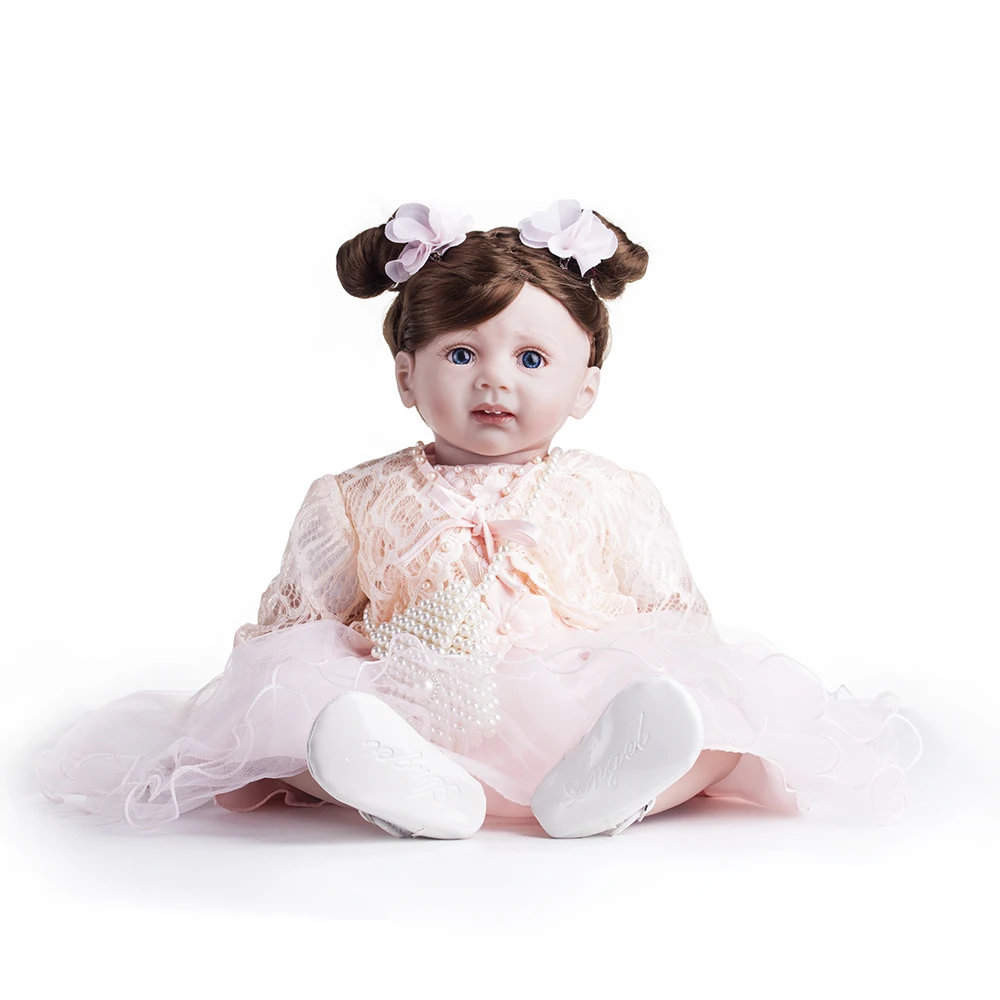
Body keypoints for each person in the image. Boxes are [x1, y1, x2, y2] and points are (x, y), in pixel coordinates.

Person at [35, 199, 923, 840]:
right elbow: (294, 625)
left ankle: (620, 783)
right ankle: (406, 785)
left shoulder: (611, 491)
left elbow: (675, 615)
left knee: (714, 716)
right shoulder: (353, 496)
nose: (495, 378)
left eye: (532, 358)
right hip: (411, 694)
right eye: (461, 353)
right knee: (297, 719)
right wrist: (339, 665)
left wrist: (672, 678)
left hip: (579, 704)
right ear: (406, 375)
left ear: (585, 387)